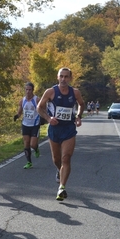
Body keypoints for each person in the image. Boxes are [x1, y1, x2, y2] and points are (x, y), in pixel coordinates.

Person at [36, 67, 85, 201]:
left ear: (70, 78)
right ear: (57, 77)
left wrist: (79, 116)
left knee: (66, 158)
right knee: (56, 160)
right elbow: (39, 107)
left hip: (69, 129)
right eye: (61, 76)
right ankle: (60, 171)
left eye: (66, 77)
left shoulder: (75, 92)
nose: (63, 79)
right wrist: (48, 119)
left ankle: (61, 187)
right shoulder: (50, 92)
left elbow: (81, 104)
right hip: (54, 129)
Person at [14, 82, 40, 169]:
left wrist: (44, 118)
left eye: (29, 90)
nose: (28, 91)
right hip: (25, 124)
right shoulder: (22, 100)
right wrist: (17, 116)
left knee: (32, 144)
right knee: (26, 143)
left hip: (35, 125)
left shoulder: (37, 100)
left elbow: (43, 110)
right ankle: (29, 162)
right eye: (26, 89)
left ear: (33, 90)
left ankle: (36, 149)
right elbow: (20, 111)